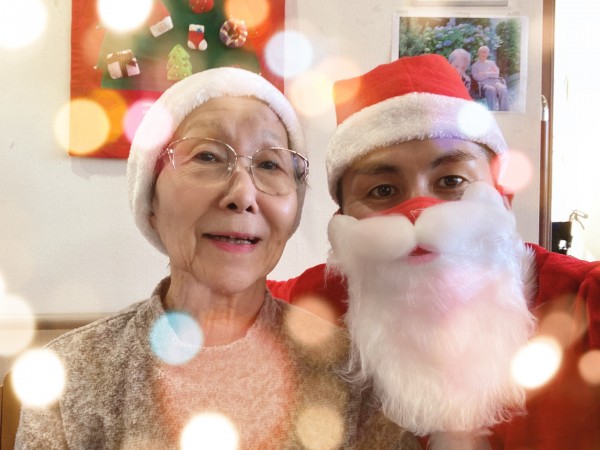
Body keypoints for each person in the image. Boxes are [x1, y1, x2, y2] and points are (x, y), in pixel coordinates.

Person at [14, 68, 421, 449]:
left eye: (269, 164)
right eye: (208, 157)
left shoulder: (354, 375)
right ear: (150, 201)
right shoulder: (70, 376)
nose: (242, 195)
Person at [268, 54, 600, 450]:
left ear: (502, 196)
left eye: (451, 181)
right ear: (342, 219)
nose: (419, 213)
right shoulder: (312, 307)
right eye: (383, 190)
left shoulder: (585, 301)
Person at [470, 45, 510, 111]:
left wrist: (484, 73)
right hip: (485, 84)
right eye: (482, 52)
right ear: (478, 53)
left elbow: (496, 74)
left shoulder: (491, 63)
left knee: (503, 89)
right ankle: (492, 111)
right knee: (491, 90)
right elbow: (477, 77)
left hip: (496, 82)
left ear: (487, 54)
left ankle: (504, 111)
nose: (484, 54)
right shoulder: (475, 66)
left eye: (486, 52)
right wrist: (490, 73)